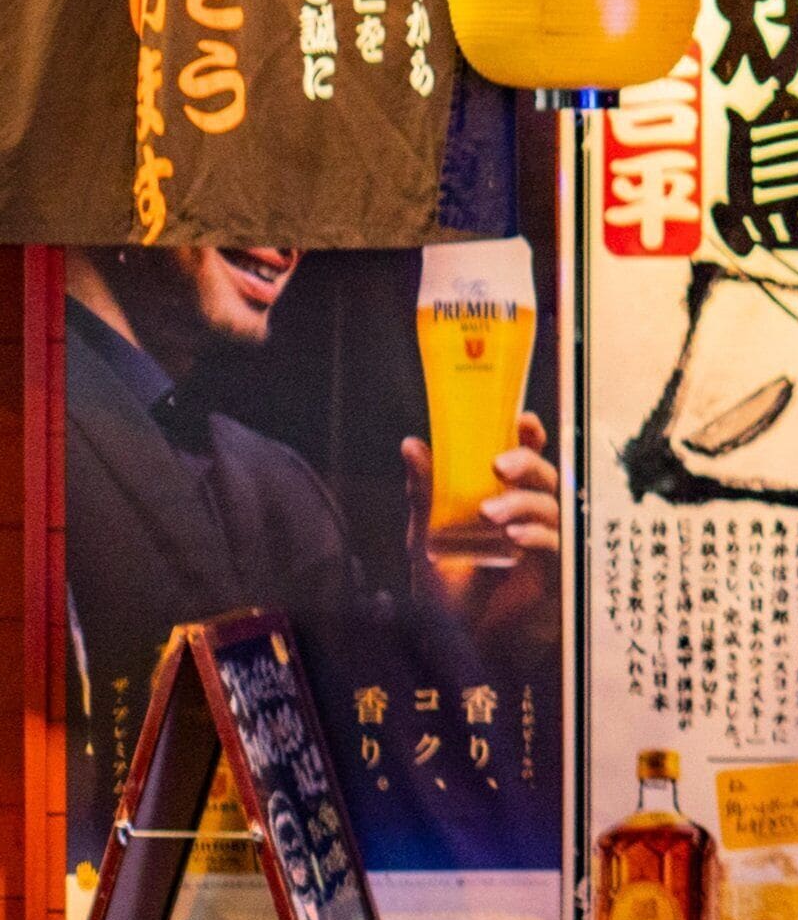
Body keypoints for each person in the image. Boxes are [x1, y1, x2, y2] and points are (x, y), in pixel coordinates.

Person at [60, 243, 562, 873]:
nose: (286, 238)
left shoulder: (278, 484)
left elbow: (368, 821)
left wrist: (451, 619)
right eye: (242, 161)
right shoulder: (36, 431)